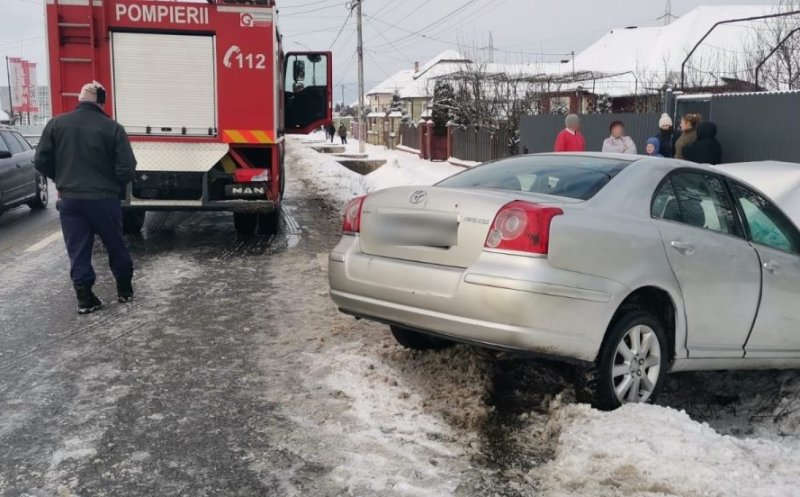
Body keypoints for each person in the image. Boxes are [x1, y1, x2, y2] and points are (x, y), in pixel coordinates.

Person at [34, 82, 137, 314]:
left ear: (80, 100)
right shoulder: (112, 128)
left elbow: (40, 160)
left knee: (78, 249)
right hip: (104, 199)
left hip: (70, 200)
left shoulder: (56, 124)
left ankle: (84, 297)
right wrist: (114, 184)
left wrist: (61, 178)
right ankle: (124, 290)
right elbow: (127, 168)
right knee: (115, 244)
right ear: (102, 102)